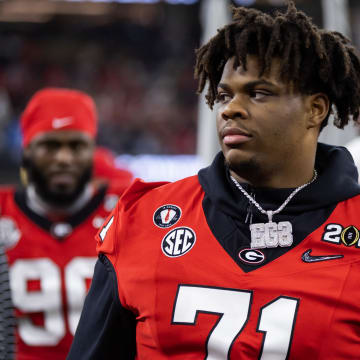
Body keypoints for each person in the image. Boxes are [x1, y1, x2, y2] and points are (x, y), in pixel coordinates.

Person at [68, 1, 360, 359]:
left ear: (316, 110)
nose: (230, 108)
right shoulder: (142, 219)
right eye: (224, 95)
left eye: (258, 92)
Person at [2, 88, 132, 360]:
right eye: (50, 145)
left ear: (92, 150)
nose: (63, 158)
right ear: (26, 151)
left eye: (76, 146)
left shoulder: (129, 210)